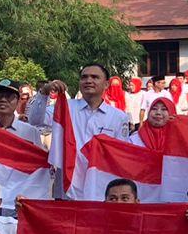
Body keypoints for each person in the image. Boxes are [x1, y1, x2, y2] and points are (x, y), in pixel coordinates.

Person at [28, 64, 133, 195]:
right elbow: (34, 120)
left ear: (106, 84)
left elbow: (120, 156)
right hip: (66, 186)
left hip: (100, 188)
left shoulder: (118, 117)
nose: (88, 81)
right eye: (84, 77)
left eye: (95, 77)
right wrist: (44, 92)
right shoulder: (65, 108)